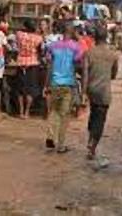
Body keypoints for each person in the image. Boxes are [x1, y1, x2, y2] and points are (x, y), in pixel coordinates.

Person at [44, 22, 83, 153]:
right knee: (64, 115)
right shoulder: (76, 47)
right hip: (68, 84)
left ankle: (50, 136)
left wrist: (46, 84)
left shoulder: (53, 46)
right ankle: (60, 145)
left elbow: (49, 65)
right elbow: (79, 63)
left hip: (55, 83)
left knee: (53, 111)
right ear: (72, 32)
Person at [82, 26, 119, 165]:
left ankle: (91, 139)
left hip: (91, 90)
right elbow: (114, 74)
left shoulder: (88, 53)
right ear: (106, 37)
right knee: (100, 118)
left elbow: (85, 74)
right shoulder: (113, 54)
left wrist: (83, 94)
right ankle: (92, 145)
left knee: (93, 114)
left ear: (94, 38)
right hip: (104, 91)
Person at [16, 19, 43, 119]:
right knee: (30, 89)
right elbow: (40, 51)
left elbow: (19, 32)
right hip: (33, 63)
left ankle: (21, 111)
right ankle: (27, 112)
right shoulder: (38, 38)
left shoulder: (19, 35)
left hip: (20, 63)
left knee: (20, 89)